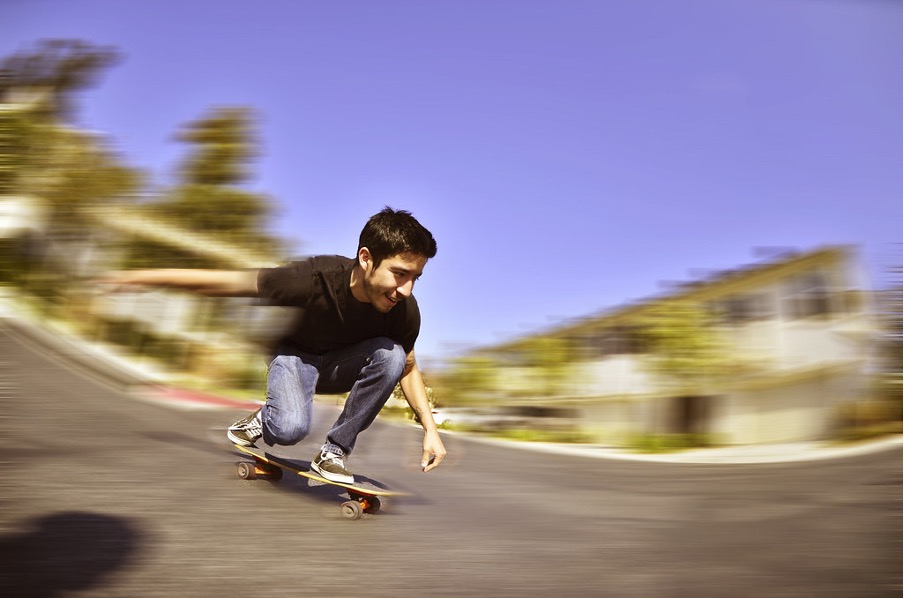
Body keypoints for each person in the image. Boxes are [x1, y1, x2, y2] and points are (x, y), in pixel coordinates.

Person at [102, 207, 446, 482]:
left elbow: (409, 367)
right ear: (367, 258)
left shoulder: (402, 311)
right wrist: (140, 277)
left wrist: (430, 430)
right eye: (399, 273)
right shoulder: (311, 280)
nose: (406, 290)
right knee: (290, 429)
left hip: (340, 367)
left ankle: (335, 452)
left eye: (415, 278)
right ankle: (262, 420)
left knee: (393, 356)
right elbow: (225, 283)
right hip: (295, 358)